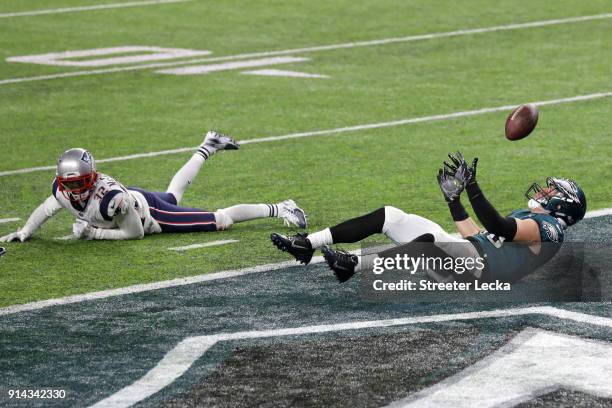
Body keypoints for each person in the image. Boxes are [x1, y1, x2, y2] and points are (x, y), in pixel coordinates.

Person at [271, 152, 586, 283]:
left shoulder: (549, 229)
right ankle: (306, 243)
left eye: (552, 190)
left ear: (563, 203)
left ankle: (352, 265)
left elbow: (497, 227)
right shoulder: (535, 220)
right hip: (472, 259)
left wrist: (473, 186)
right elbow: (477, 234)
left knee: (430, 241)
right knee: (391, 216)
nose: (545, 190)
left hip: (479, 276)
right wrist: (454, 200)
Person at [1, 131, 307, 242]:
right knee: (173, 194)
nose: (76, 189)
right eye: (71, 184)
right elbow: (46, 209)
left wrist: (94, 233)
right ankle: (209, 145)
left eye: (82, 182)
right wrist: (26, 231)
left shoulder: (111, 201)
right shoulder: (62, 190)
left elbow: (134, 234)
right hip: (140, 199)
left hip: (151, 217)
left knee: (220, 220)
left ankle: (282, 207)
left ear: (91, 178)